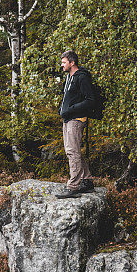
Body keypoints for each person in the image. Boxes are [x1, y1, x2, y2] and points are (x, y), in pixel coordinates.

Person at [55, 50, 95, 199]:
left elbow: (90, 100)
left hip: (76, 119)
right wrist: (62, 109)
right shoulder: (69, 78)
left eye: (64, 62)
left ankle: (73, 186)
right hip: (67, 119)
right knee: (72, 150)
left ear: (72, 63)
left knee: (72, 152)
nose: (62, 65)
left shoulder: (81, 77)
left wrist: (71, 110)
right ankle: (87, 180)